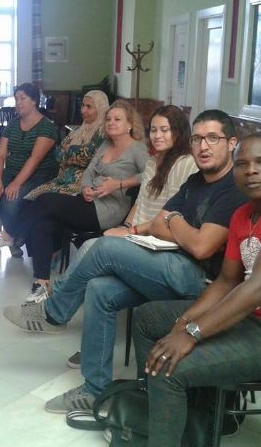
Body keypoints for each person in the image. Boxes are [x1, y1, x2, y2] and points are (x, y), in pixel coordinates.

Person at [3, 109, 248, 413]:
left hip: (201, 281)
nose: (203, 146)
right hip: (169, 261)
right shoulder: (197, 181)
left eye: (213, 138)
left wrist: (174, 221)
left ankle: (54, 313)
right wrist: (175, 224)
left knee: (104, 247)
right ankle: (94, 390)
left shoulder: (233, 189)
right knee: (100, 290)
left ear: (232, 143)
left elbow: (201, 248)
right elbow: (158, 223)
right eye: (198, 139)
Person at [133, 134, 261, 447]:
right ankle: (168, 417)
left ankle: (168, 426)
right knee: (147, 318)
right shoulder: (242, 215)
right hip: (248, 321)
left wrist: (193, 333)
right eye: (242, 164)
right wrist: (184, 322)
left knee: (170, 368)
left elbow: (259, 287)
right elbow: (226, 282)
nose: (251, 170)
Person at [62, 104, 199, 366]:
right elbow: (141, 202)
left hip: (161, 244)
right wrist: (126, 226)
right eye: (154, 130)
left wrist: (131, 231)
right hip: (139, 236)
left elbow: (171, 216)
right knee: (97, 279)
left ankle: (56, 310)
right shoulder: (153, 162)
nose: (157, 136)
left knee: (93, 247)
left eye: (165, 130)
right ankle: (86, 342)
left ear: (179, 132)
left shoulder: (186, 164)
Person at [14, 100, 150, 302]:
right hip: (87, 200)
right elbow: (89, 172)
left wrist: (119, 184)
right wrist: (85, 187)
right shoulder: (106, 145)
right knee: (43, 222)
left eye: (117, 119)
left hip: (109, 209)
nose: (111, 123)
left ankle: (11, 233)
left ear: (130, 124)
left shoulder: (137, 149)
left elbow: (150, 175)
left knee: (45, 200)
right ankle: (41, 283)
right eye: (109, 119)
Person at [0, 82, 58, 254]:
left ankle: (11, 235)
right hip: (12, 171)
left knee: (10, 200)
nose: (18, 103)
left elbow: (35, 159)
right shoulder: (13, 124)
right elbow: (0, 155)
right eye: (16, 99)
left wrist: (16, 184)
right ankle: (16, 233)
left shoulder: (47, 127)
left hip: (39, 176)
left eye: (23, 98)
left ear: (34, 100)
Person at [24, 90, 108, 200]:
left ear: (100, 109)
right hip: (62, 180)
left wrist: (69, 150)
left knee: (45, 201)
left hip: (82, 185)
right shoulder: (77, 131)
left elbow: (87, 157)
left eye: (89, 107)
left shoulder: (103, 133)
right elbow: (58, 154)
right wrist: (75, 152)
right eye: (83, 105)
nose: (83, 110)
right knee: (30, 198)